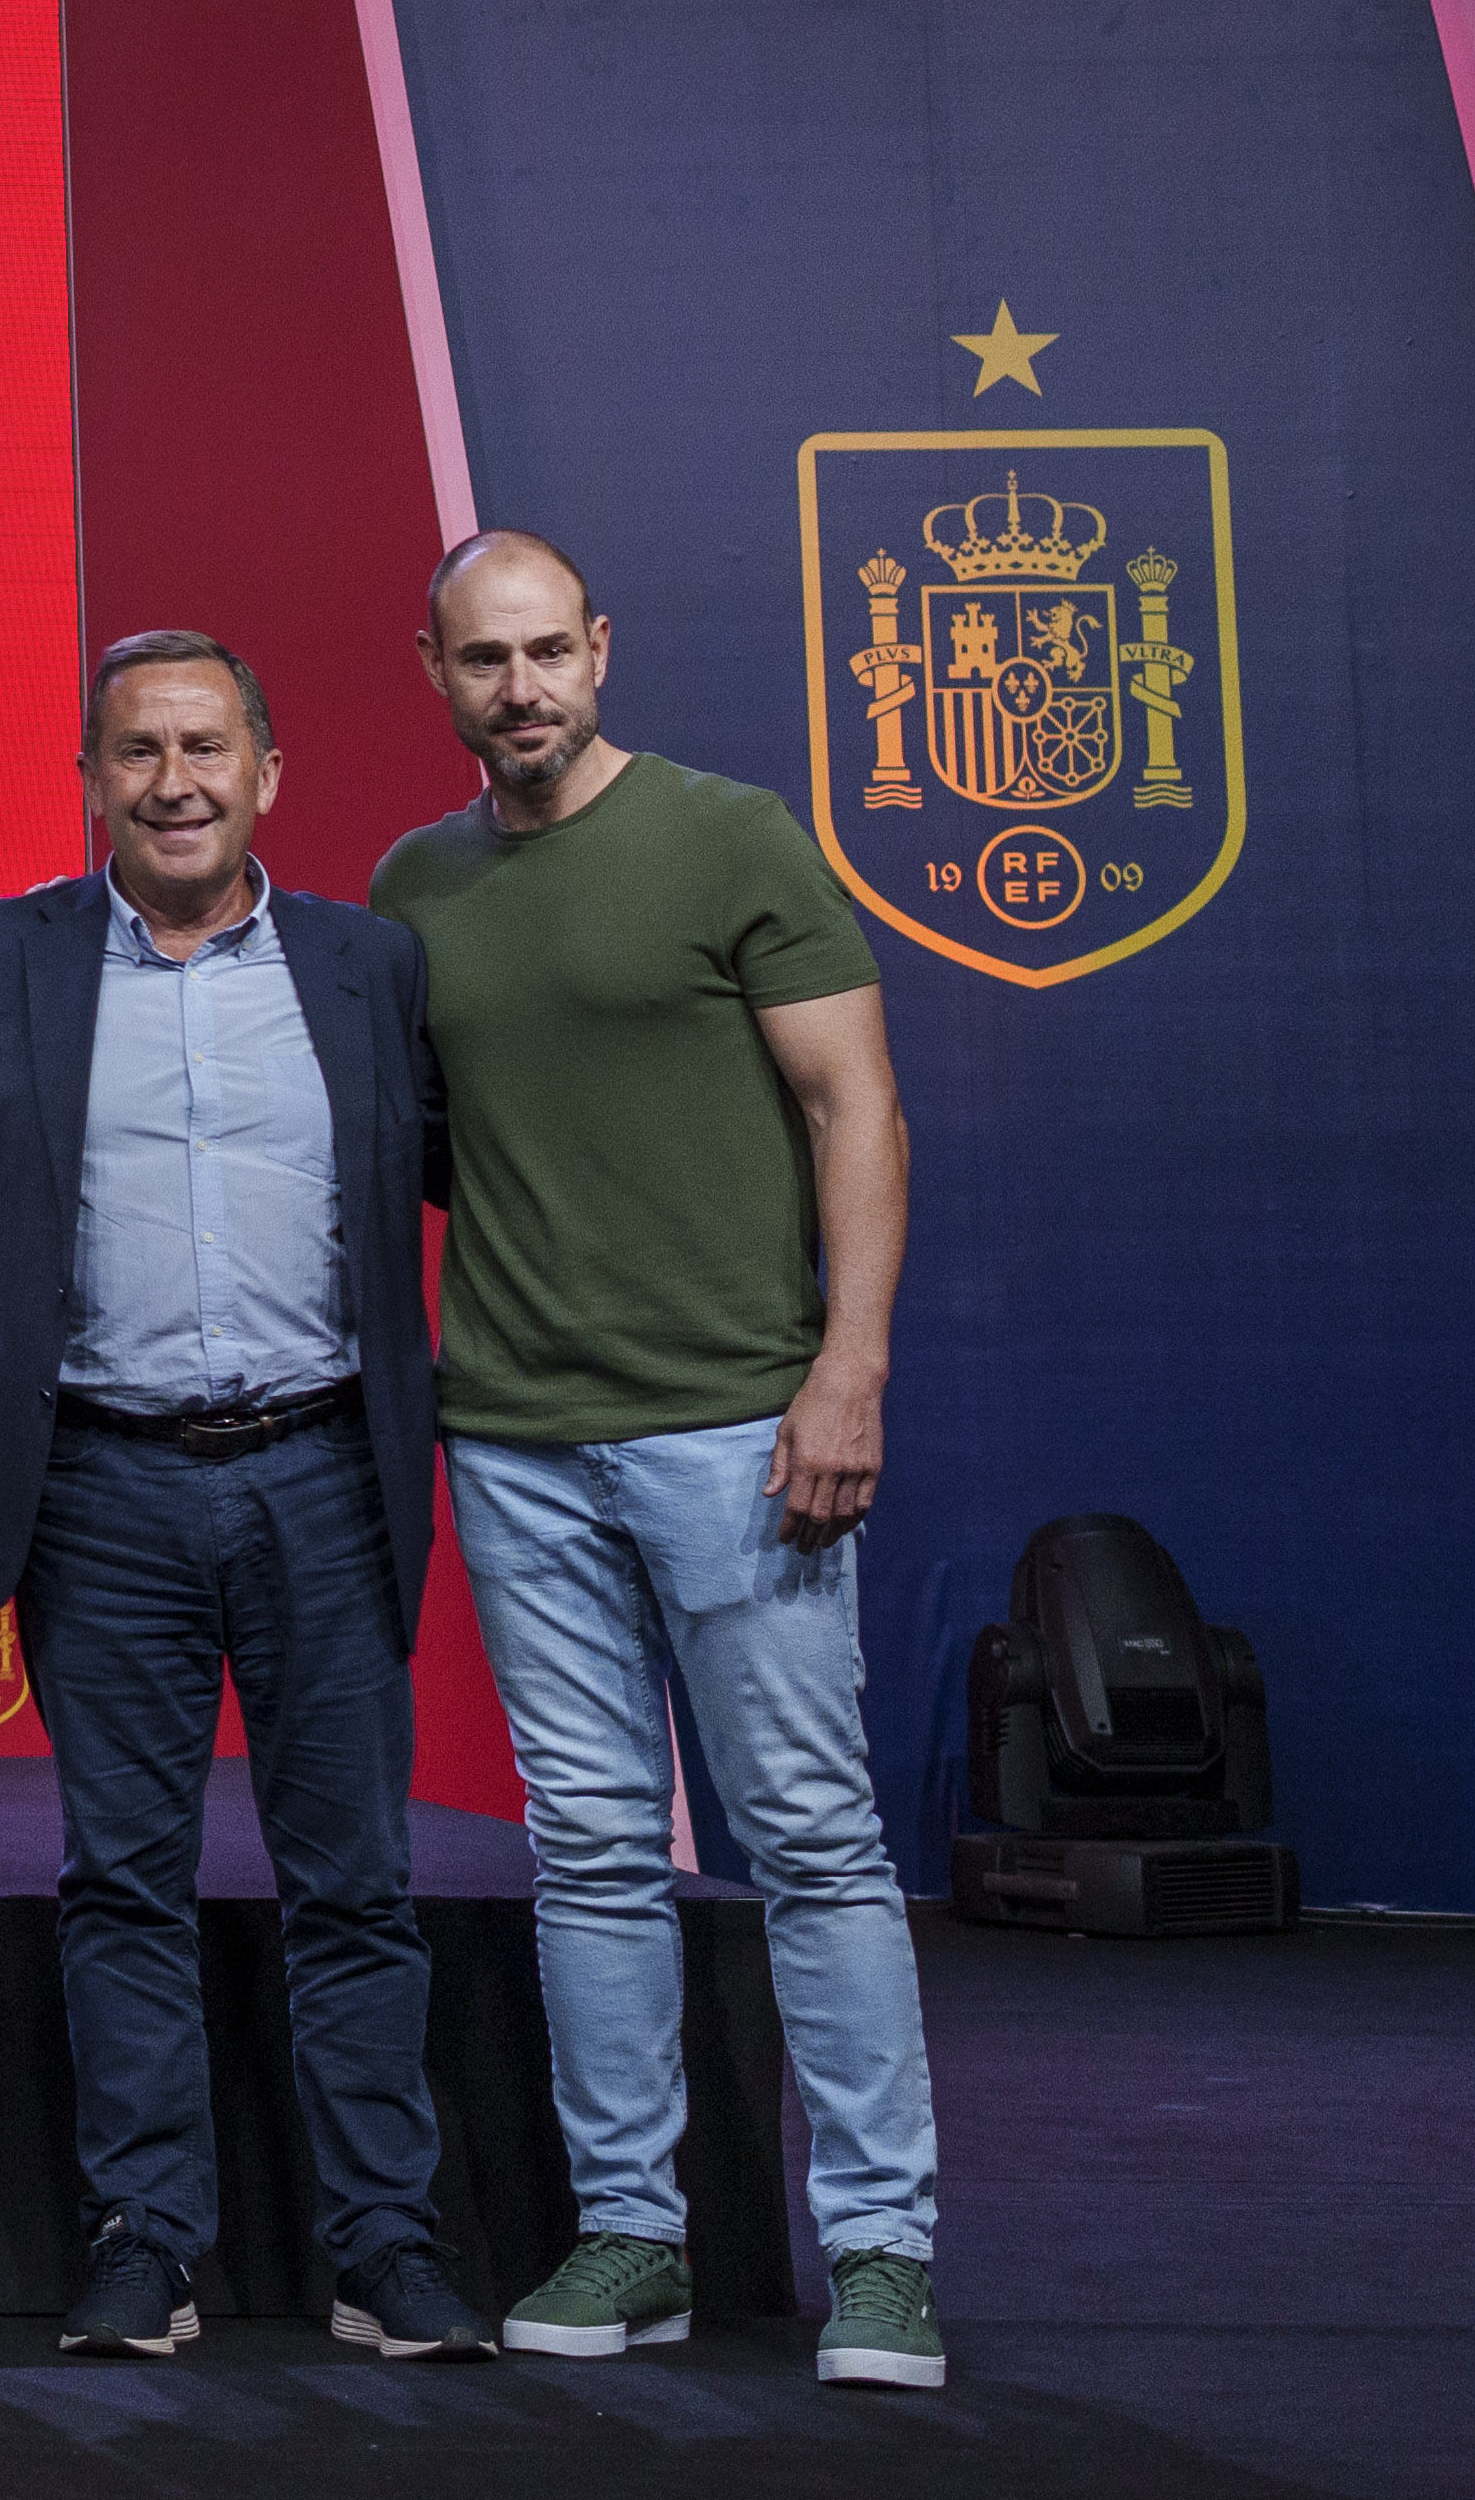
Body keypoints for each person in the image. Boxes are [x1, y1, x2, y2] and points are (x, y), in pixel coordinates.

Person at [380, 530, 943, 2394]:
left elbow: (855, 1104)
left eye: (547, 649)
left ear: (599, 648)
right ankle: (633, 2229)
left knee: (811, 1841)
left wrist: (846, 1365)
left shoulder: (728, 836)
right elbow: (438, 1147)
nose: (520, 686)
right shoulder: (414, 884)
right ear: (436, 671)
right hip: (515, 1437)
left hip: (736, 1426)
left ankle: (881, 2253)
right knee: (593, 1849)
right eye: (485, 658)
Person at [0, 637, 485, 2368]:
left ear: (266, 770)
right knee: (121, 1884)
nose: (173, 781)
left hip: (325, 1470)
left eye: (205, 746)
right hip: (98, 1482)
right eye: (137, 750)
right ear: (88, 777)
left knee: (356, 1883)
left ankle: (384, 2242)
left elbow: (496, 1168)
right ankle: (143, 2239)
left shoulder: (368, 962)